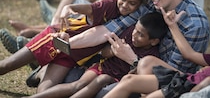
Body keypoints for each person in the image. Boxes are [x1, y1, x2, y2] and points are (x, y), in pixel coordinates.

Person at [55, 0, 210, 97]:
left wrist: (133, 60)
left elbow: (173, 79)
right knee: (76, 77)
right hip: (122, 66)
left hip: (154, 83)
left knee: (102, 90)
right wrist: (67, 44)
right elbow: (110, 29)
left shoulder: (195, 24)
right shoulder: (151, 3)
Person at [0, 0, 147, 93]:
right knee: (7, 65)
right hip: (55, 39)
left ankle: (40, 71)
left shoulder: (133, 24)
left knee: (44, 92)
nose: (125, 5)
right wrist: (69, 7)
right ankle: (37, 63)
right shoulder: (110, 5)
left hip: (72, 55)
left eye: (132, 3)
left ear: (140, 5)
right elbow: (86, 8)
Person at [23, 11, 168, 98]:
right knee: (78, 85)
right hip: (102, 67)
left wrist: (130, 59)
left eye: (141, 35)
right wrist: (114, 51)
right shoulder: (129, 33)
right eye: (136, 30)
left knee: (102, 80)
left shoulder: (152, 56)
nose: (135, 35)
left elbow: (138, 76)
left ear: (154, 41)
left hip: (118, 79)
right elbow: (104, 52)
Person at [103, 7, 210, 98]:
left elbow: (207, 83)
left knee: (129, 81)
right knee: (147, 62)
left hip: (186, 88)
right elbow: (189, 54)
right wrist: (172, 25)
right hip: (186, 80)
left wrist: (191, 94)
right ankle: (144, 93)